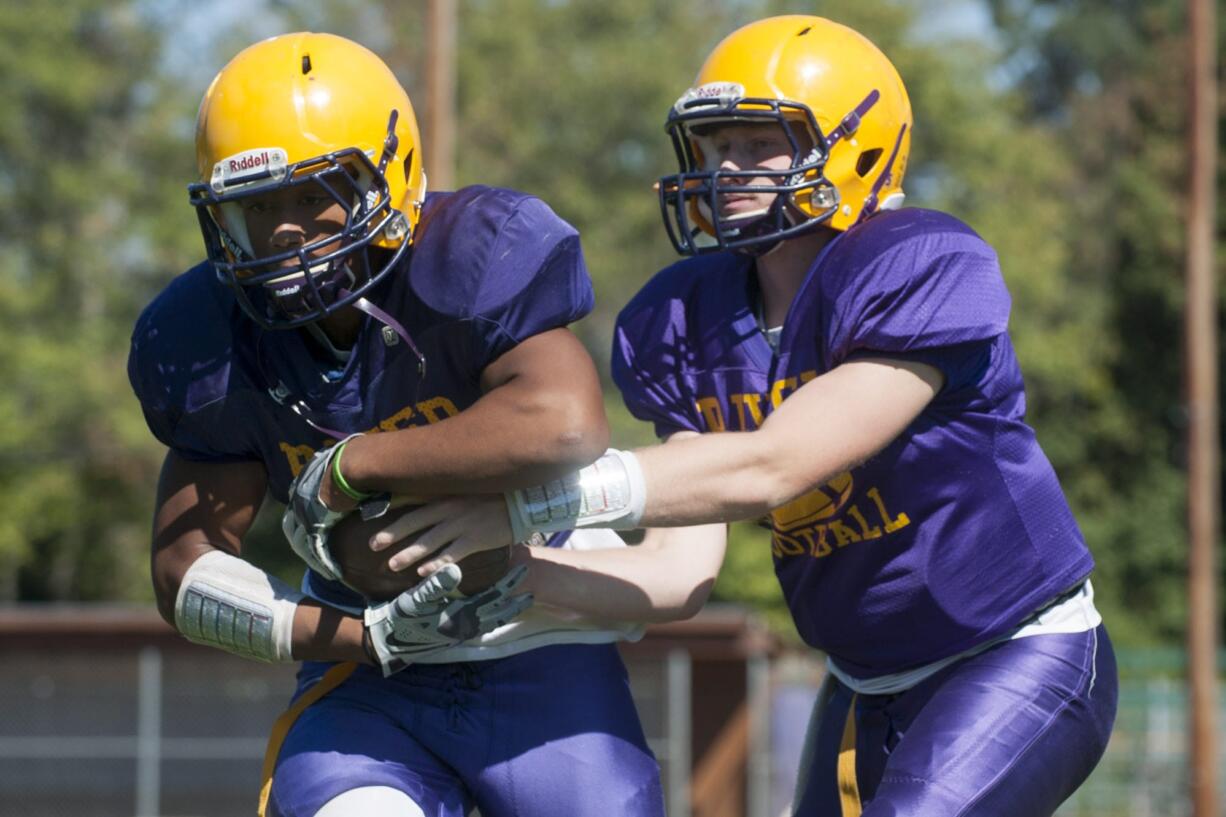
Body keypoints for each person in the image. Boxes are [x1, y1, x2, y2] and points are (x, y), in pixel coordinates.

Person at [374, 15, 1119, 817]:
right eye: (714, 144)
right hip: (863, 681)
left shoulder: (919, 263)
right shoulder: (686, 317)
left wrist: (527, 502)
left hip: (1015, 649)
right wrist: (507, 569)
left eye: (759, 144)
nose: (725, 168)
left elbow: (776, 463)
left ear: (855, 149)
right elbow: (677, 572)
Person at [127, 31, 700, 817]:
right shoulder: (211, 333)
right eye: (257, 206)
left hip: (541, 638)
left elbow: (564, 422)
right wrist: (359, 637)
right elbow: (183, 568)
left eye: (311, 193)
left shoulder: (468, 254)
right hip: (372, 670)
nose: (286, 227)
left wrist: (355, 462)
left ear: (386, 177)